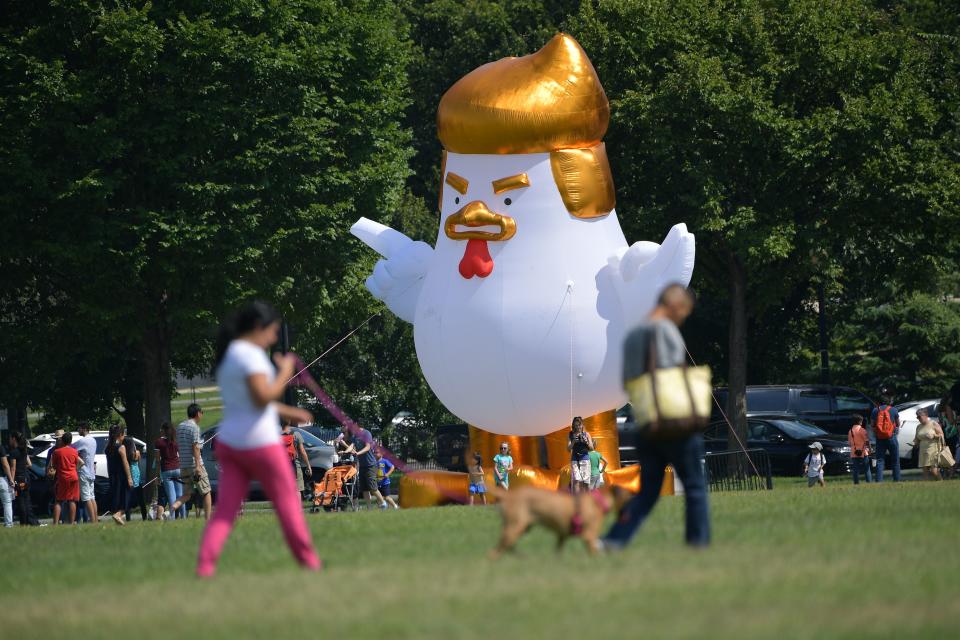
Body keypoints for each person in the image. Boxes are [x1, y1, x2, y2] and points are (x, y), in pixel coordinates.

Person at [196, 301, 321, 577]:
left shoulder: (230, 356)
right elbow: (263, 396)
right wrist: (286, 372)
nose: (274, 338)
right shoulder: (250, 356)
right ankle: (309, 562)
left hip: (230, 444)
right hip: (259, 444)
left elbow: (251, 401)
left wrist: (291, 411)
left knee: (226, 511)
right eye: (272, 331)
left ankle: (205, 566)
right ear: (257, 327)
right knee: (289, 504)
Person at [604, 284, 710, 550]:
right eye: (684, 312)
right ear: (676, 305)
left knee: (649, 491)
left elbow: (628, 382)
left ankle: (615, 540)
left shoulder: (632, 335)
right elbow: (670, 374)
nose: (683, 318)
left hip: (646, 423)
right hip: (675, 422)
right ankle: (698, 544)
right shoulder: (665, 330)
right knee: (695, 487)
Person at [168, 404, 212, 520]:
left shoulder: (180, 427)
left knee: (187, 495)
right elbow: (196, 448)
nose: (202, 415)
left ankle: (170, 510)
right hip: (195, 465)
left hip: (184, 465)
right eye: (202, 412)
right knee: (206, 492)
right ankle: (208, 520)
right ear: (198, 413)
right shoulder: (195, 428)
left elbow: (183, 445)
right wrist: (198, 466)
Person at [50, 431, 83, 525]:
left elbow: (54, 466)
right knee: (72, 500)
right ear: (70, 441)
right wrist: (74, 469)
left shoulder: (56, 452)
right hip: (73, 477)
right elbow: (79, 463)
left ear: (62, 441)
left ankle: (55, 523)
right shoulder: (74, 451)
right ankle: (72, 522)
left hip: (62, 477)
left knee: (59, 500)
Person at [352, 425, 387, 510]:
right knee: (364, 488)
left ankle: (383, 503)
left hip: (370, 465)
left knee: (372, 487)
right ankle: (369, 507)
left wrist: (358, 453)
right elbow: (352, 446)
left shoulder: (366, 433)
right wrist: (345, 451)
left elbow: (368, 447)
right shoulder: (354, 435)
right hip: (362, 465)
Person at [7, 432, 37, 526]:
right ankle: (31, 521)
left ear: (14, 439)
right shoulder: (24, 450)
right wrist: (22, 467)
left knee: (20, 500)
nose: (9, 440)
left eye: (10, 438)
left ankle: (23, 523)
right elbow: (30, 464)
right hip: (26, 478)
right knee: (27, 500)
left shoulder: (13, 452)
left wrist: (11, 480)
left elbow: (13, 468)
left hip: (18, 480)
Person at [155, 422, 184, 519]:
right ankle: (183, 517)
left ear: (164, 430)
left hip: (166, 470)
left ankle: (172, 518)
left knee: (172, 496)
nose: (160, 431)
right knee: (180, 495)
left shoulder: (159, 442)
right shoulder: (176, 441)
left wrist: (158, 475)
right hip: (177, 468)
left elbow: (158, 460)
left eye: (161, 429)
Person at [105, 424, 131, 526]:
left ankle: (118, 516)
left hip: (112, 476)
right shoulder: (121, 447)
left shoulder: (108, 448)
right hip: (121, 476)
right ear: (120, 434)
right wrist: (129, 477)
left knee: (117, 498)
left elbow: (108, 464)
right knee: (127, 499)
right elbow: (125, 463)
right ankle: (118, 514)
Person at [72, 423, 98, 524]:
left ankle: (92, 521)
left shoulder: (83, 441)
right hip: (91, 472)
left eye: (79, 428)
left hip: (83, 471)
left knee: (86, 498)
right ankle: (95, 519)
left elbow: (70, 448)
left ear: (84, 429)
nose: (78, 430)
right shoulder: (93, 440)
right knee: (92, 497)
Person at [871, 394, 901, 482]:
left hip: (880, 438)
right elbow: (898, 424)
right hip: (892, 437)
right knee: (895, 460)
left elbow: (872, 425)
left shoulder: (875, 410)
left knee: (880, 460)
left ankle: (879, 481)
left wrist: (877, 432)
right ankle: (897, 480)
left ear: (879, 402)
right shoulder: (894, 410)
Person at [281, 420, 312, 499]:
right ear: (289, 422)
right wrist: (308, 466)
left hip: (281, 465)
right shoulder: (296, 434)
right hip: (294, 464)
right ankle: (297, 510)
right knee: (296, 489)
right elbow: (302, 451)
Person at [912, 407, 945, 481]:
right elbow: (917, 438)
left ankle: (941, 482)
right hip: (923, 450)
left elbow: (942, 435)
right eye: (917, 417)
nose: (918, 419)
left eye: (919, 417)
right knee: (925, 471)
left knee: (934, 471)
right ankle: (925, 486)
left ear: (925, 415)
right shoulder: (918, 426)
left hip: (933, 448)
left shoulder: (933, 423)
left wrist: (934, 436)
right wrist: (915, 443)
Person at [567, 416, 595, 494]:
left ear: (582, 425)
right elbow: (568, 449)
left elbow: (592, 448)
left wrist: (586, 442)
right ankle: (577, 501)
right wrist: (573, 442)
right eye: (576, 425)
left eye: (579, 425)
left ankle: (588, 500)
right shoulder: (570, 434)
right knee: (576, 480)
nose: (578, 427)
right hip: (575, 458)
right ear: (573, 426)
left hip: (584, 457)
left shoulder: (586, 434)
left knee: (586, 482)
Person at [124, 436, 147, 521]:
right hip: (136, 473)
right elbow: (139, 461)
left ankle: (128, 518)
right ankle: (144, 516)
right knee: (141, 498)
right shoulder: (136, 452)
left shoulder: (125, 453)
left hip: (129, 474)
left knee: (128, 498)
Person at [847, 415, 872, 485]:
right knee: (867, 469)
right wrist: (870, 449)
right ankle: (869, 482)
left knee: (855, 469)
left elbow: (850, 442)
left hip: (854, 453)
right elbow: (867, 441)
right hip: (863, 452)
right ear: (860, 422)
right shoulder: (862, 430)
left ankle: (856, 483)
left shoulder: (850, 431)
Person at [938, 396, 958, 479]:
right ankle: (951, 474)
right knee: (952, 454)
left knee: (945, 453)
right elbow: (951, 421)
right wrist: (957, 418)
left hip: (944, 432)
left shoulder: (940, 408)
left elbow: (941, 421)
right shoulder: (948, 407)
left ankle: (946, 473)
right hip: (951, 432)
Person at [1, 439, 15, 528]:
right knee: (7, 502)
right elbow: (5, 465)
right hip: (1, 479)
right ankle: (8, 524)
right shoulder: (0, 448)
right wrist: (11, 479)